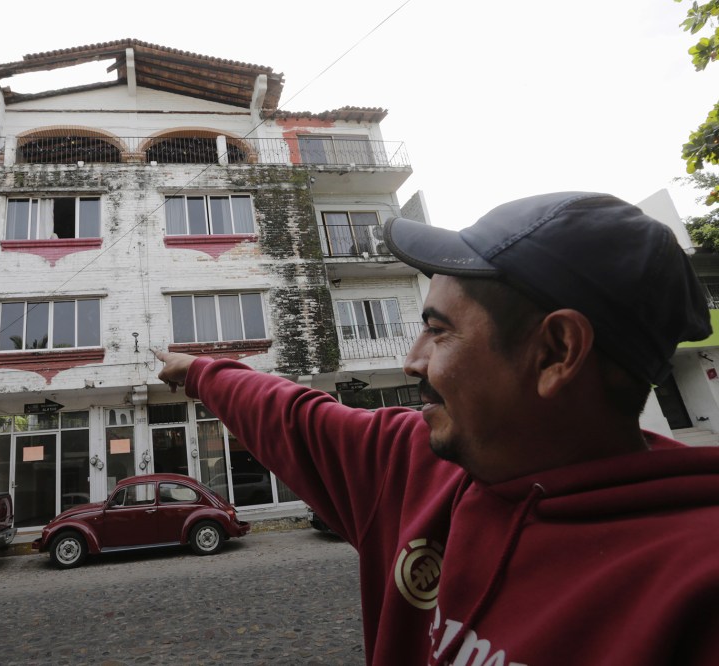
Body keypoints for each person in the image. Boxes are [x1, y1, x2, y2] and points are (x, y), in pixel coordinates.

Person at [154, 191, 719, 666]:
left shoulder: (694, 591)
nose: (411, 361)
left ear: (556, 352)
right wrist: (202, 372)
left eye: (438, 330)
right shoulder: (416, 461)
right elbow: (293, 416)